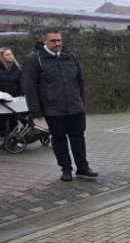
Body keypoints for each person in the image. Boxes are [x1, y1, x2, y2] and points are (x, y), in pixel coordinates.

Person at [22, 28, 98, 182]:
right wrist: (36, 110)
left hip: (75, 106)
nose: (57, 43)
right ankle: (66, 169)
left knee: (78, 137)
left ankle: (83, 167)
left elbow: (80, 81)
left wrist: (81, 102)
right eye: (53, 41)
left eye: (59, 40)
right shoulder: (34, 59)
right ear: (44, 41)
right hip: (53, 108)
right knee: (59, 138)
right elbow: (29, 86)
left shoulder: (69, 55)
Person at [0, 47, 22, 139]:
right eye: (7, 54)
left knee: (13, 119)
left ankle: (14, 138)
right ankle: (2, 136)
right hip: (1, 99)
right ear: (2, 57)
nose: (11, 56)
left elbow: (22, 82)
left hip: (14, 98)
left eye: (11, 54)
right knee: (2, 119)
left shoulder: (18, 69)